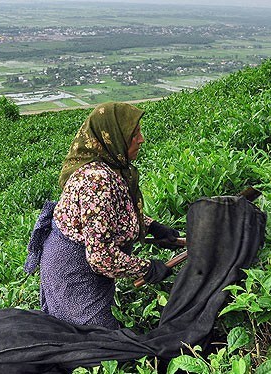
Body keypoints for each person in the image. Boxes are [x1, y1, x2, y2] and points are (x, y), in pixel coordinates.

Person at [25, 102, 180, 330]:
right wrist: (147, 268)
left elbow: (108, 217)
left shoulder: (110, 168)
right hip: (74, 270)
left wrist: (152, 226)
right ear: (112, 137)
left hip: (82, 260)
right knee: (96, 340)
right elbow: (100, 257)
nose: (141, 139)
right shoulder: (97, 181)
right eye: (134, 134)